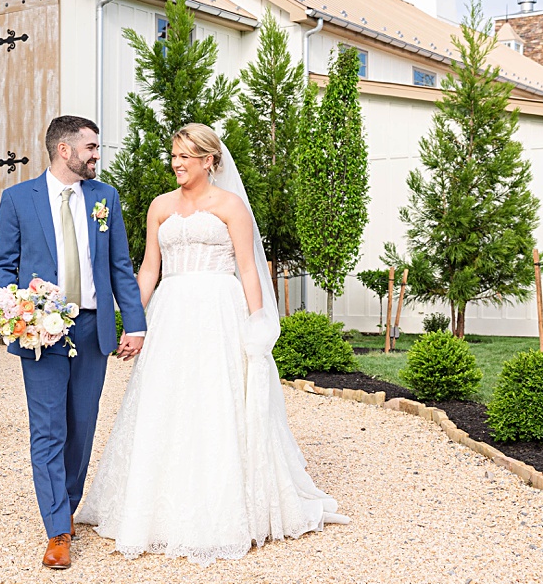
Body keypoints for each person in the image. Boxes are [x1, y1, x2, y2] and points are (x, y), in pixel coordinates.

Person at [76, 123, 348, 565]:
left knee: (215, 402)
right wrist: (132, 320)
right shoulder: (160, 206)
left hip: (220, 312)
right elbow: (148, 269)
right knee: (166, 403)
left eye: (186, 156)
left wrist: (258, 326)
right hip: (170, 312)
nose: (176, 163)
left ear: (209, 160)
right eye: (174, 155)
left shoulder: (231, 206)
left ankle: (223, 510)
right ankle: (156, 508)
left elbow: (247, 269)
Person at [0, 115, 147, 570]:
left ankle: (69, 506)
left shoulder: (105, 197)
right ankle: (57, 529)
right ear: (65, 150)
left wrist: (133, 324)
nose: (97, 155)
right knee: (48, 430)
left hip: (93, 329)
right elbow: (2, 267)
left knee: (81, 428)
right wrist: (19, 312)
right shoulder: (18, 199)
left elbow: (120, 265)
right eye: (91, 148)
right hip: (42, 332)